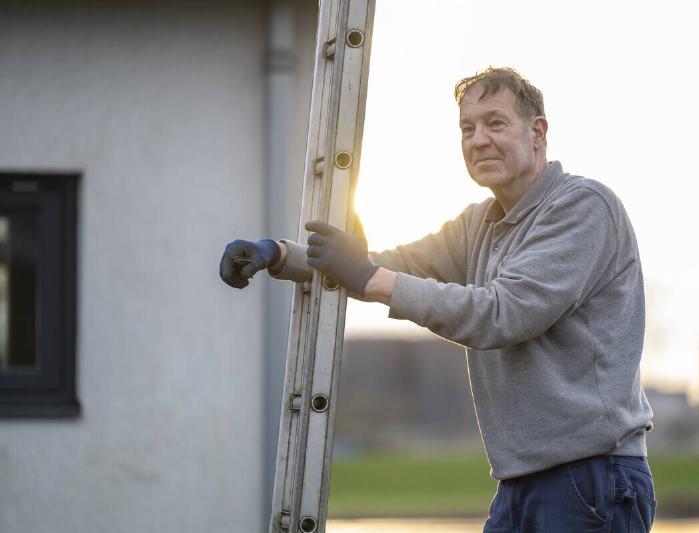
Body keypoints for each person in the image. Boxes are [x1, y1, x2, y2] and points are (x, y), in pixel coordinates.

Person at [220, 67, 656, 532]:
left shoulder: (582, 207)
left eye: (495, 123)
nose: (479, 139)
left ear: (538, 132)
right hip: (520, 482)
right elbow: (390, 264)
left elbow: (501, 314)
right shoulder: (480, 224)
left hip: (590, 479)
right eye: (467, 129)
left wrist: (368, 277)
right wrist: (280, 255)